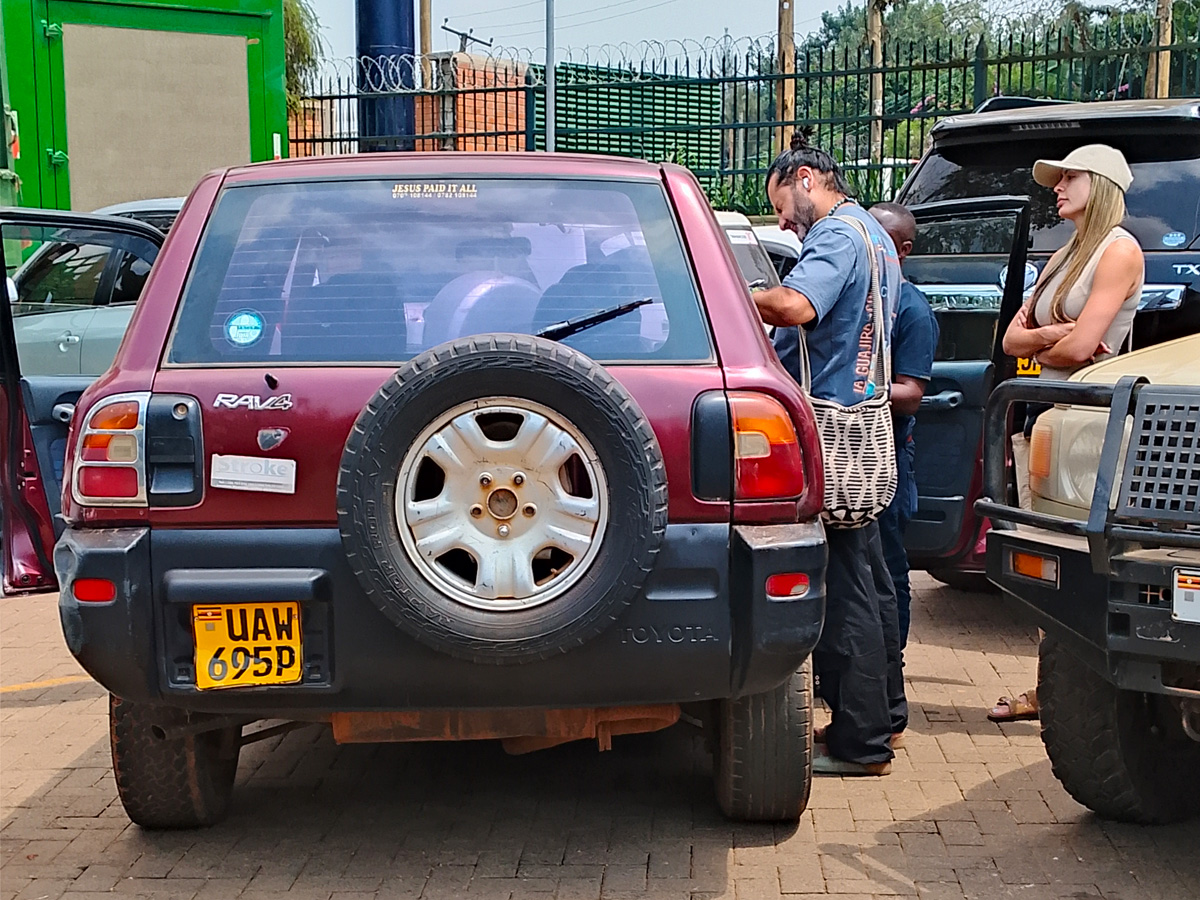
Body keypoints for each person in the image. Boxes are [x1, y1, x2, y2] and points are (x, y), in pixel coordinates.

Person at [753, 133, 907, 776]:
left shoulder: (839, 236)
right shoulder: (872, 233)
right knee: (869, 583)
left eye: (784, 205)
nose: (784, 221)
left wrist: (728, 292)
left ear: (808, 177)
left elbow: (796, 304)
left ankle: (859, 742)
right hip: (864, 425)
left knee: (845, 593)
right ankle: (880, 719)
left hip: (832, 429)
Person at [990, 143, 1144, 723]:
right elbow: (1012, 340)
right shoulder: (1064, 254)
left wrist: (1049, 335)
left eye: (1069, 178)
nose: (1056, 187)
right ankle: (1051, 687)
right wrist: (1062, 332)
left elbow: (1084, 349)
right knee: (1043, 551)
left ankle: (1071, 694)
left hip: (1086, 424)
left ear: (1100, 185)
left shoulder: (1118, 250)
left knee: (1079, 557)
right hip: (1042, 412)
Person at [868, 203, 939, 655]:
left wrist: (857, 390)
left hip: (891, 452)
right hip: (854, 453)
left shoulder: (912, 310)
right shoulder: (868, 298)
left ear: (903, 249)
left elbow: (911, 392)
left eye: (879, 236)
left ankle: (891, 665)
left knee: (890, 568)